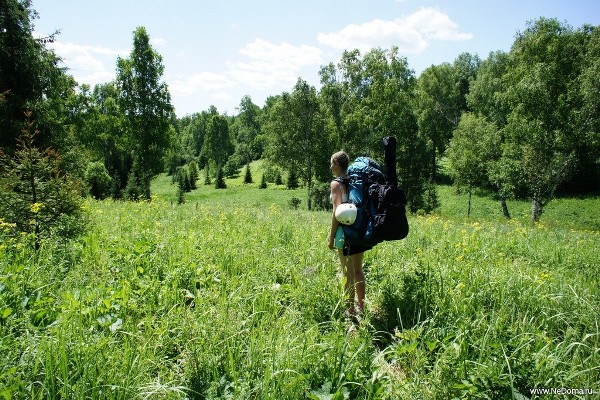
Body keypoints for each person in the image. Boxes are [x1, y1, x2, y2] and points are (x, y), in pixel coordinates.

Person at [328, 151, 371, 321]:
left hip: (344, 233)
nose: (330, 167)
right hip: (359, 230)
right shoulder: (356, 180)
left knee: (347, 273)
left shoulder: (336, 184)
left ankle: (350, 310)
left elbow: (336, 213)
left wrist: (331, 237)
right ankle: (361, 306)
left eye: (332, 163)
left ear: (338, 165)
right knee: (358, 270)